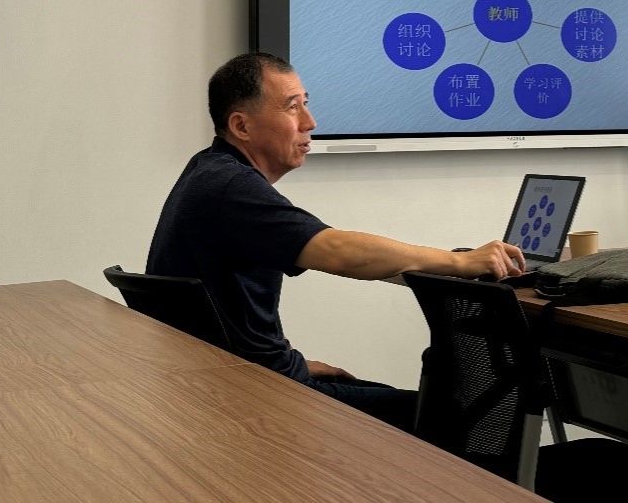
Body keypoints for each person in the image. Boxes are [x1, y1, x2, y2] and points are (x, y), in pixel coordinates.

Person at [146, 51, 526, 431]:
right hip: (257, 402)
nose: (309, 122)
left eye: (306, 104)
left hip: (236, 385)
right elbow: (338, 252)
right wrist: (460, 262)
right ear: (241, 126)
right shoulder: (230, 187)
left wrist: (291, 363)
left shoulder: (208, 171)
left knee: (406, 401)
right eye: (292, 107)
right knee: (453, 417)